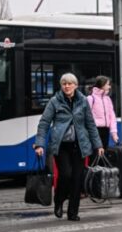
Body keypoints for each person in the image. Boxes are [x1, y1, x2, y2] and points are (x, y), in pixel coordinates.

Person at [34, 73, 104, 221]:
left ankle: (73, 213)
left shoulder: (83, 101)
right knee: (66, 175)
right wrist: (40, 143)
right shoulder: (55, 101)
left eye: (70, 84)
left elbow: (90, 124)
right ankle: (59, 200)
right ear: (61, 86)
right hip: (61, 146)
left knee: (77, 179)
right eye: (64, 84)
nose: (67, 86)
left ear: (75, 86)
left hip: (79, 145)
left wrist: (98, 145)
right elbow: (44, 123)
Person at [88, 75, 119, 152]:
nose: (109, 87)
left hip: (106, 130)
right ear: (102, 85)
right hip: (95, 130)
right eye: (108, 84)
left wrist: (114, 133)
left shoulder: (107, 99)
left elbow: (112, 116)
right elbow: (87, 117)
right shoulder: (91, 98)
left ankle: (101, 165)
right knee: (95, 155)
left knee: (104, 153)